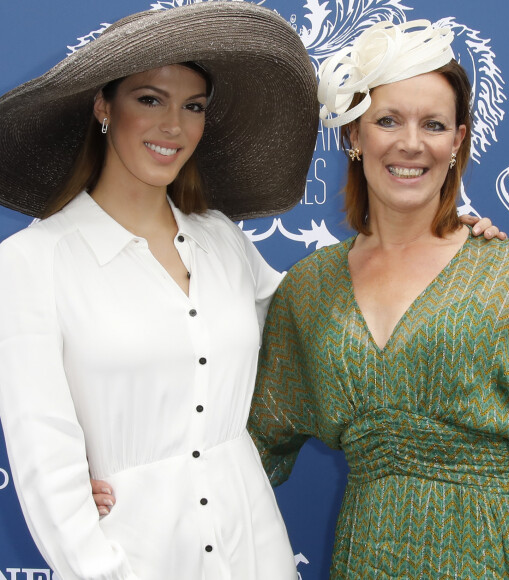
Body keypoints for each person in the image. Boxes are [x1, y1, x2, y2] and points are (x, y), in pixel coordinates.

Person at [247, 19, 509, 579]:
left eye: (433, 124)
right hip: (370, 552)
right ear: (354, 136)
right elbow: (253, 444)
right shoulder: (307, 288)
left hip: (498, 553)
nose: (411, 143)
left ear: (457, 141)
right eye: (387, 120)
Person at [0, 4, 319, 579]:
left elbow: (320, 310)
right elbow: (43, 449)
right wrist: (97, 564)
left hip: (254, 551)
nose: (174, 126)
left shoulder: (222, 240)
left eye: (192, 106)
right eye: (150, 99)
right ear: (103, 105)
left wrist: (440, 245)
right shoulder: (32, 263)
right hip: (135, 559)